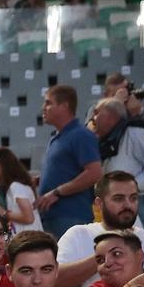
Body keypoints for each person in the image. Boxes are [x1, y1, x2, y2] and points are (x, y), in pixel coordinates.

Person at [55, 171, 144, 287]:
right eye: (118, 199)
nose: (128, 205)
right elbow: (53, 280)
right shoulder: (79, 235)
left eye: (133, 198)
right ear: (99, 204)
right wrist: (104, 257)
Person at [36, 85, 103, 239]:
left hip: (71, 217)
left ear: (64, 105)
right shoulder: (57, 137)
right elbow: (67, 171)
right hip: (53, 217)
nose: (43, 108)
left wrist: (57, 191)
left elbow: (94, 173)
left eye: (48, 103)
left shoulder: (81, 135)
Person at [92, 99, 144, 225]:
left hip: (141, 203)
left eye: (97, 113)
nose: (93, 119)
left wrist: (130, 188)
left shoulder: (136, 133)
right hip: (119, 205)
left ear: (111, 116)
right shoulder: (105, 140)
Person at [0, 147, 42, 232]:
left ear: (2, 167)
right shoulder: (11, 187)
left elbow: (29, 218)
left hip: (30, 239)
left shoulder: (16, 186)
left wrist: (4, 213)